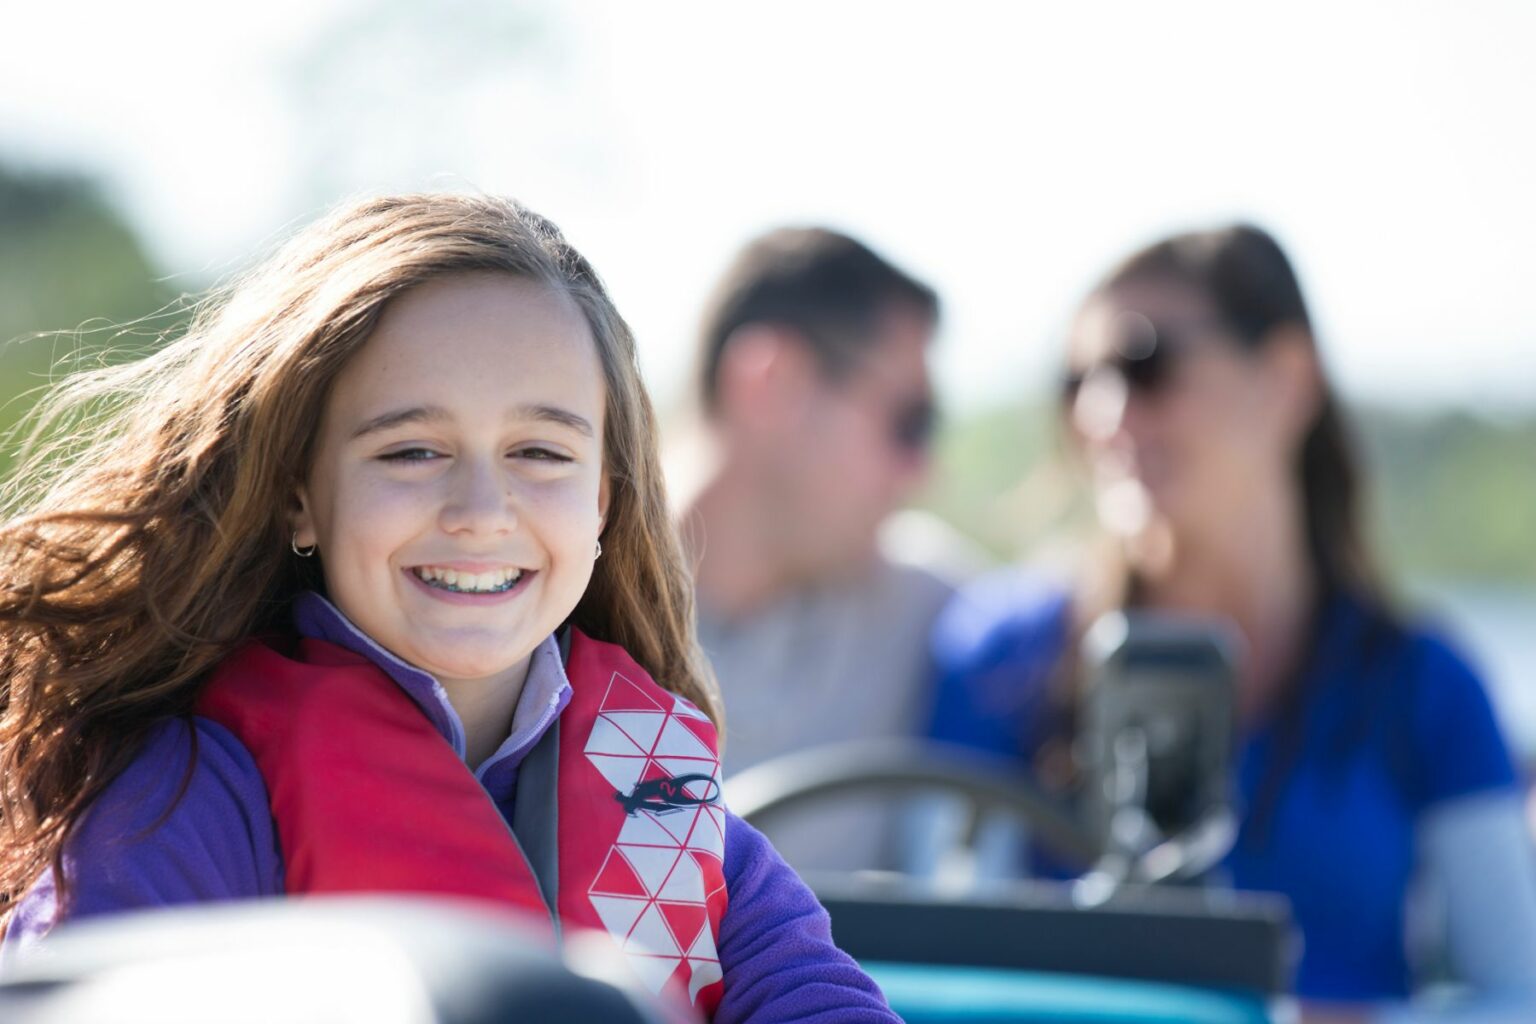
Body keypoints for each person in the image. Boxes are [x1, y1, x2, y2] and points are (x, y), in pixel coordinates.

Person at [0, 193, 900, 1023]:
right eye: (412, 451)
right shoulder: (189, 798)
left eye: (540, 453)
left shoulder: (667, 808)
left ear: (604, 502)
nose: (479, 511)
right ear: (299, 495)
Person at [924, 225, 1536, 1021]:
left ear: (1286, 378)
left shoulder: (1424, 682)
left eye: (1145, 364)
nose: (1103, 413)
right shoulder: (1000, 655)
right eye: (1078, 379)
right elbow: (934, 964)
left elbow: (1519, 993)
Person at [678, 227, 962, 873]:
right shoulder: (550, 607)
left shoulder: (928, 607)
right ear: (769, 383)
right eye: (909, 421)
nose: (922, 470)